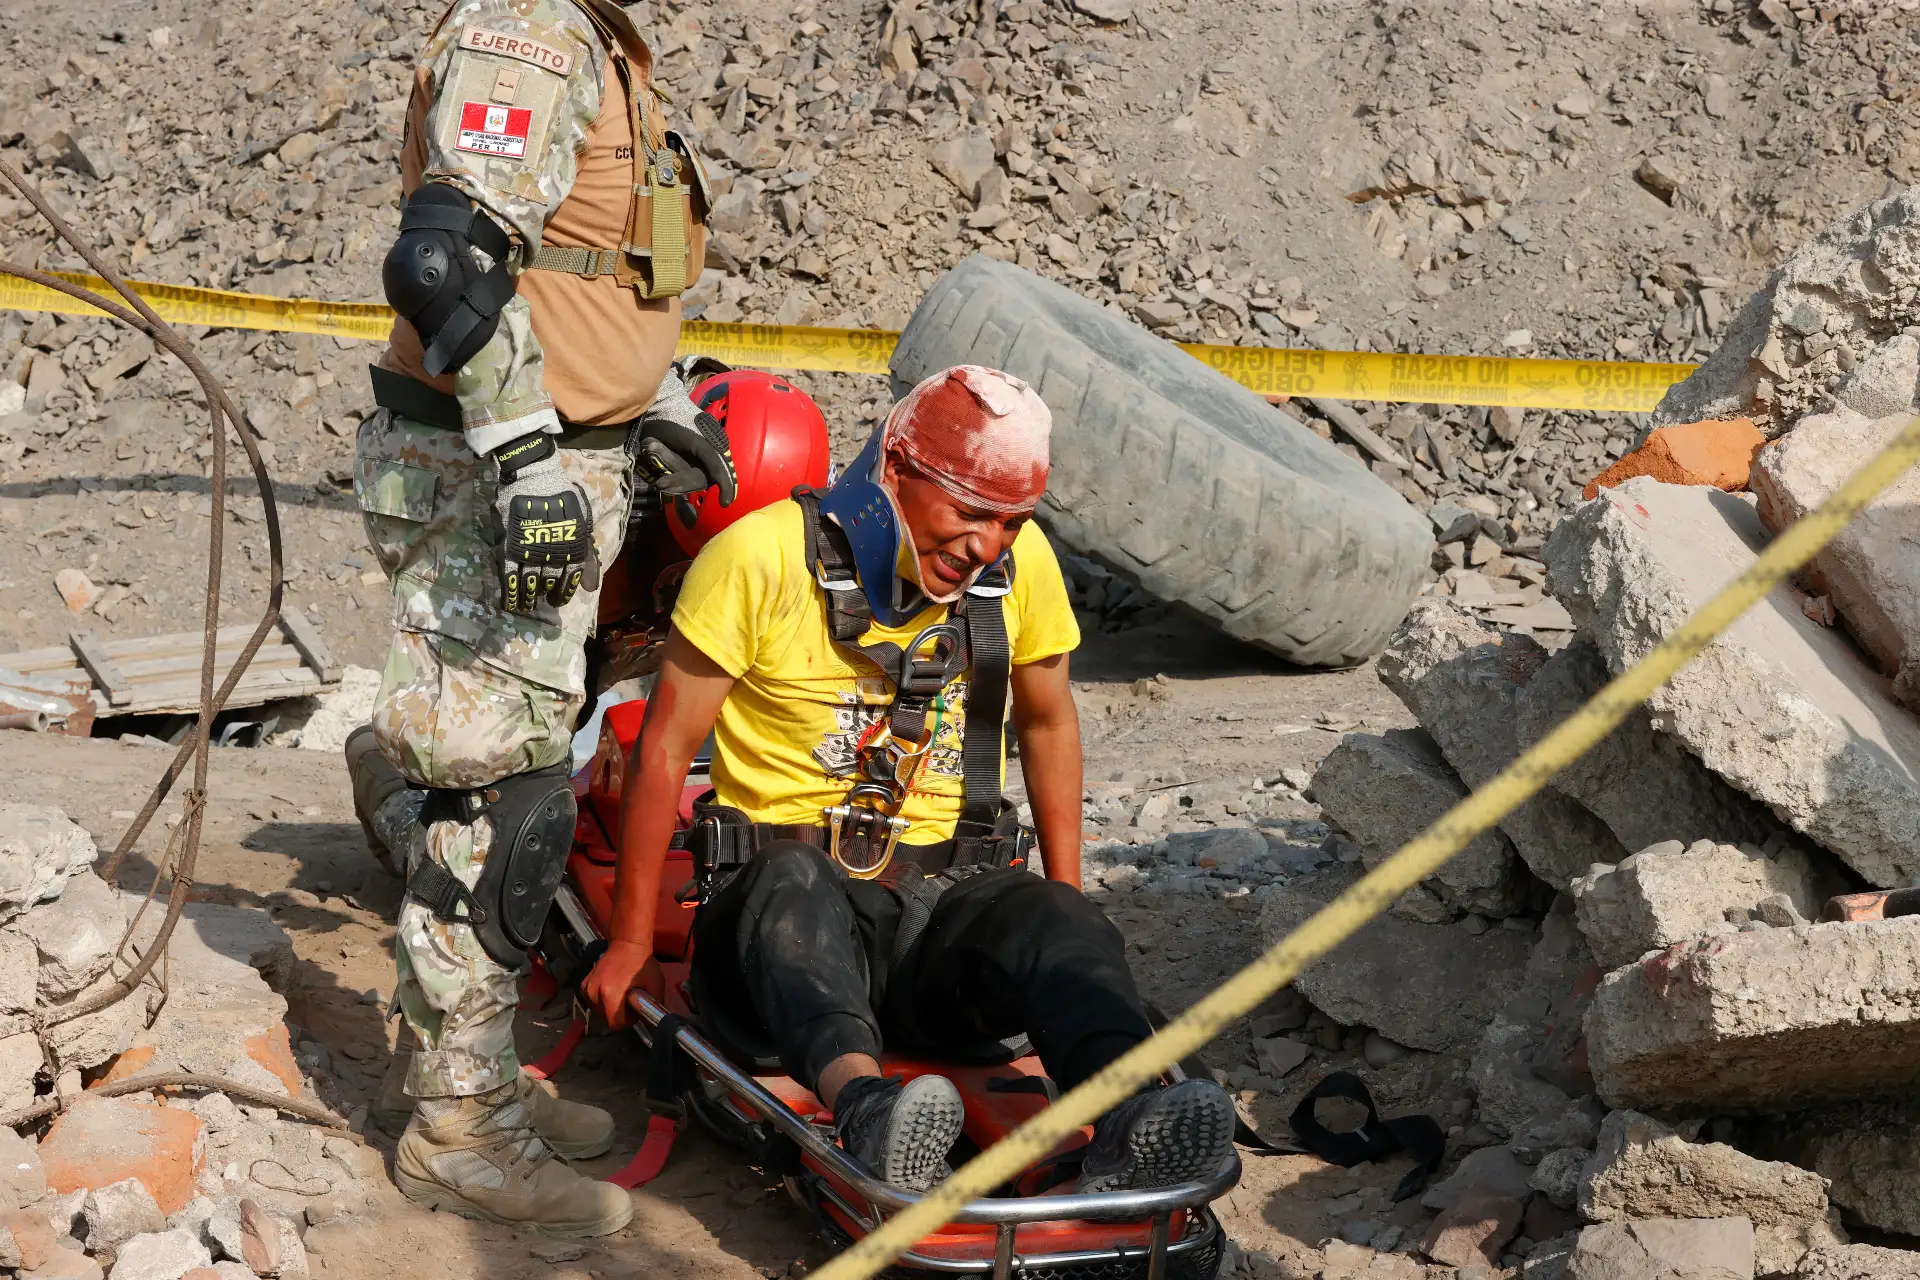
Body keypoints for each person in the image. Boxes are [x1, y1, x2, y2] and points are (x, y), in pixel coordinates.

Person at [582, 365, 1237, 1195]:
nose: (986, 545)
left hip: (932, 918)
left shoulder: (1016, 567)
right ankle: (867, 1110)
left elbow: (1047, 720)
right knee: (791, 884)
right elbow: (666, 748)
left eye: (1009, 521)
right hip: (781, 922)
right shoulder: (757, 559)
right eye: (968, 512)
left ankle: (1135, 1114)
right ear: (892, 471)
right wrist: (635, 941)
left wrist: (1063, 903)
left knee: (1049, 912)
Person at [342, 0, 733, 1237]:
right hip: (495, 476)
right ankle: (457, 1129)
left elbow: (580, 267)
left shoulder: (607, 48)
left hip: (568, 460)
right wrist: (522, 458)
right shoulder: (531, 30)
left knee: (516, 777)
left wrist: (654, 395)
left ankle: (470, 1067)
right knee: (498, 797)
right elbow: (445, 259)